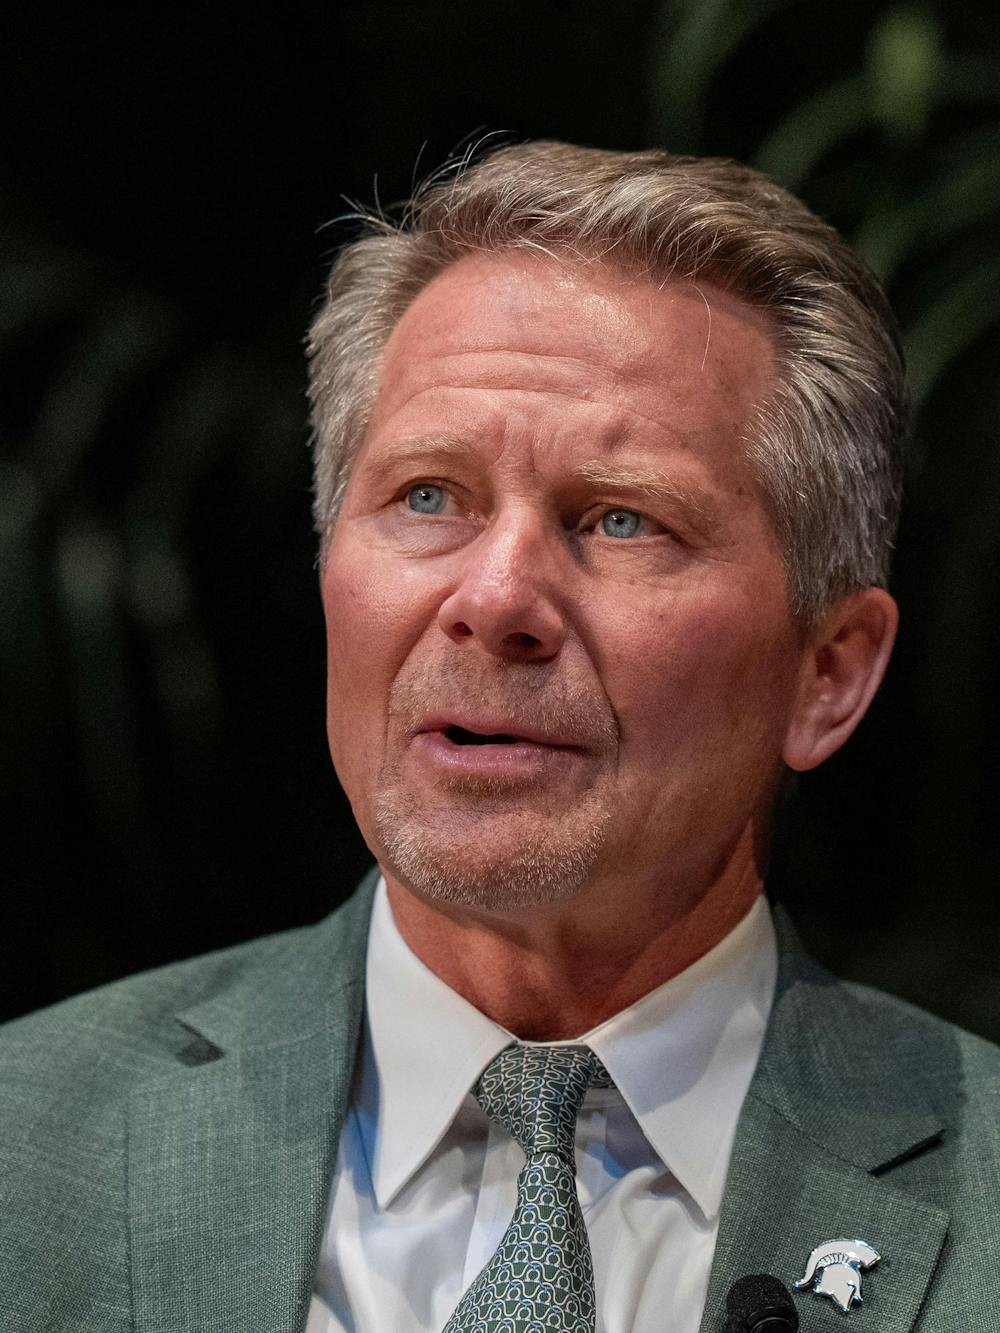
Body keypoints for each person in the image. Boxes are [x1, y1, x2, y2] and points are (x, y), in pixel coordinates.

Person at [1, 141, 996, 1333]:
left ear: (827, 674)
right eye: (427, 496)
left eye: (621, 519)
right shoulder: (27, 1147)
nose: (495, 596)